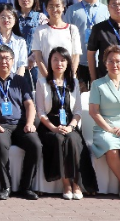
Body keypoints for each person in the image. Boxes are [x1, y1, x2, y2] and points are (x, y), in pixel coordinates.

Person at [0, 44, 42, 201]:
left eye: (7, 58)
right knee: (0, 144)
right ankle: (5, 186)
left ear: (13, 61)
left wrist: (29, 123)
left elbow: (29, 104)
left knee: (36, 145)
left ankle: (26, 187)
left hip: (20, 125)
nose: (3, 61)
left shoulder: (20, 81)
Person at [88, 46, 120, 199]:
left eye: (118, 61)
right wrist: (109, 129)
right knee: (111, 148)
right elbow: (94, 112)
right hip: (104, 129)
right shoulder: (97, 84)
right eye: (110, 61)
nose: (114, 65)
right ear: (105, 64)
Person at [36, 47, 85, 200]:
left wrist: (71, 127)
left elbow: (78, 111)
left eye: (63, 60)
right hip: (49, 125)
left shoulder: (74, 82)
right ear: (49, 62)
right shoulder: (42, 82)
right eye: (55, 60)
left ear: (68, 63)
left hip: (70, 124)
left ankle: (76, 182)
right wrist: (54, 128)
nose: (59, 63)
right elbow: (41, 112)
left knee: (73, 139)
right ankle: (66, 183)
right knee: (58, 139)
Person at [66, 0, 109, 81]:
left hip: (101, 62)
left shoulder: (107, 10)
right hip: (79, 62)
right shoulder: (72, 10)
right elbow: (66, 36)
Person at [30, 0, 82, 78]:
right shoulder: (40, 30)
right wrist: (49, 79)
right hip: (45, 80)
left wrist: (69, 77)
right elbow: (38, 57)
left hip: (67, 80)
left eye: (58, 6)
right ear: (46, 8)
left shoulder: (72, 29)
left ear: (63, 7)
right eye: (51, 6)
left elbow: (75, 56)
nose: (54, 9)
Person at [0, 4, 29, 76]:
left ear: (15, 20)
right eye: (3, 17)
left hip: (15, 80)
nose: (6, 20)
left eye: (9, 17)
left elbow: (22, 65)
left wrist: (17, 81)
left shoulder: (20, 41)